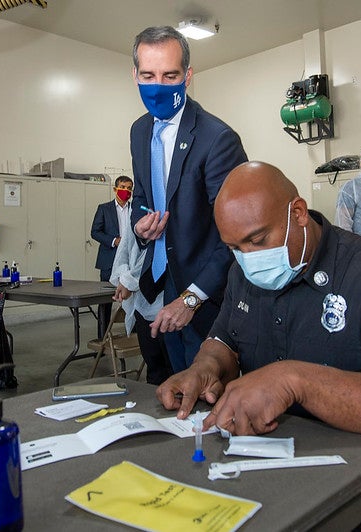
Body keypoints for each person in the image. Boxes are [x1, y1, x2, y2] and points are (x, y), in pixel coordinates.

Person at [157, 161, 361, 531]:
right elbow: (225, 340)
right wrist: (205, 367)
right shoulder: (243, 273)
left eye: (257, 240)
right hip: (259, 461)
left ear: (297, 212)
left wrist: (296, 381)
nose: (249, 258)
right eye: (235, 247)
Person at [129, 26, 248, 373]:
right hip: (155, 293)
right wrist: (140, 226)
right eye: (148, 75)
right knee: (163, 391)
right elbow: (141, 195)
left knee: (203, 398)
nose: (158, 86)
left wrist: (192, 298)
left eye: (170, 75)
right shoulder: (139, 130)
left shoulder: (217, 139)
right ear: (134, 74)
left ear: (188, 76)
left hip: (204, 301)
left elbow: (238, 236)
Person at [109, 209, 172, 385]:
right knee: (154, 368)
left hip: (167, 302)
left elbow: (154, 256)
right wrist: (124, 277)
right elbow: (124, 251)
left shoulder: (167, 214)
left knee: (173, 369)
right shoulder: (137, 216)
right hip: (142, 305)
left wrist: (129, 281)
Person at [91, 175, 134, 338]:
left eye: (129, 188)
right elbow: (95, 232)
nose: (126, 191)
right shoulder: (104, 208)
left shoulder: (135, 209)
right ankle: (102, 336)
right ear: (115, 188)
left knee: (133, 299)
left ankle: (134, 335)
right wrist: (114, 240)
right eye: (123, 187)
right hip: (109, 261)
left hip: (130, 262)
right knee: (106, 301)